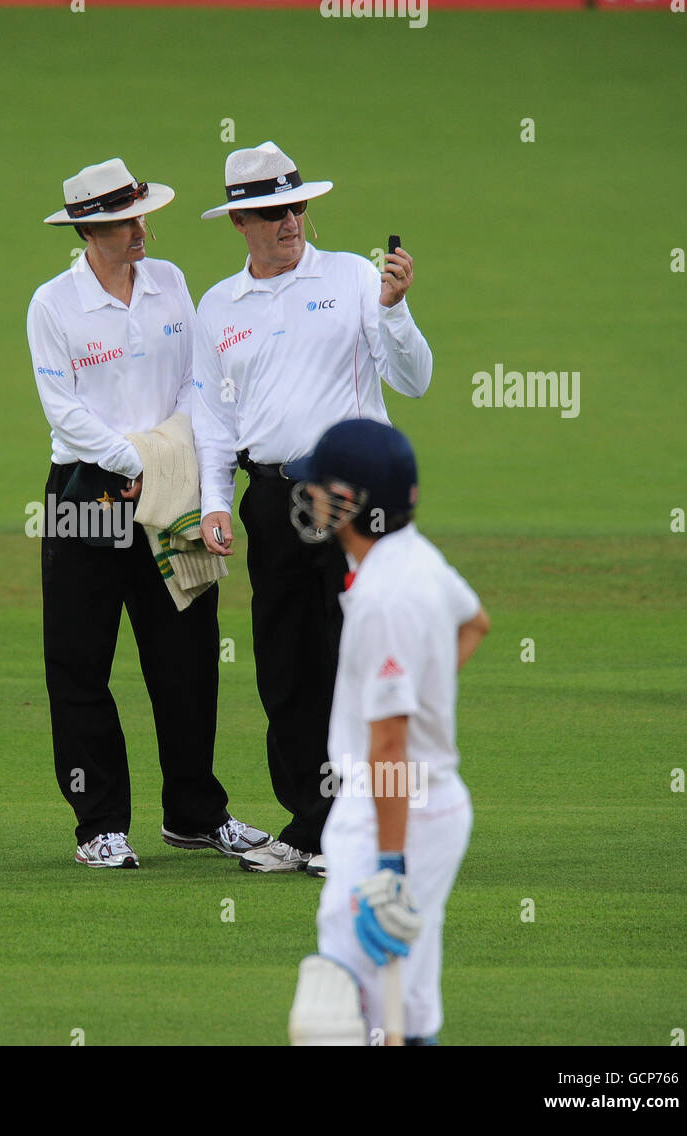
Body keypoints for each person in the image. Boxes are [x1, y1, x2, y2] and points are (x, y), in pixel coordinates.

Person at [192, 141, 434, 874]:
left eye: (296, 205)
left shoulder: (356, 278)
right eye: (271, 210)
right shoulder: (218, 305)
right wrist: (214, 503)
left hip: (351, 499)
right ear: (242, 221)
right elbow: (211, 420)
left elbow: (414, 379)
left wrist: (394, 311)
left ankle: (353, 825)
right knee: (284, 666)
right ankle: (309, 821)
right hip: (268, 497)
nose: (290, 219)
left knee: (350, 660)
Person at [27, 158, 269, 869]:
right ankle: (98, 824)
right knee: (79, 661)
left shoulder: (170, 282)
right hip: (87, 493)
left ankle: (196, 814)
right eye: (127, 221)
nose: (142, 229)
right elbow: (63, 412)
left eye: (140, 215)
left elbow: (199, 379)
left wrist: (165, 465)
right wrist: (137, 463)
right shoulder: (52, 304)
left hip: (172, 488)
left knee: (188, 656)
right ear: (89, 230)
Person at [282, 418, 488, 1045]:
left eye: (317, 485)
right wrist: (426, 695)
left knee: (337, 1016)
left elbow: (391, 748)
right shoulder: (415, 558)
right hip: (423, 809)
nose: (306, 496)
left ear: (350, 501)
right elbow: (474, 621)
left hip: (390, 814)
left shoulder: (385, 598)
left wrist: (390, 865)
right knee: (404, 1011)